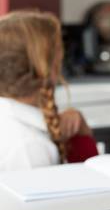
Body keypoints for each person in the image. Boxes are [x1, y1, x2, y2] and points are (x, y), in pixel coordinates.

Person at [0, 10, 96, 171]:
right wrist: (83, 137)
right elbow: (91, 190)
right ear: (50, 69)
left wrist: (80, 133)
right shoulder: (30, 148)